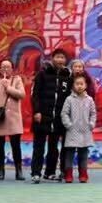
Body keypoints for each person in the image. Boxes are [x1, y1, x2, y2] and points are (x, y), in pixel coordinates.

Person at [30, 48, 71, 183]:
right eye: (57, 57)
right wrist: (37, 111)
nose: (60, 60)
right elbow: (35, 94)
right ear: (52, 58)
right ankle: (36, 172)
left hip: (59, 118)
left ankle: (50, 172)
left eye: (62, 58)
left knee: (54, 148)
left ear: (65, 61)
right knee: (39, 146)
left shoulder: (67, 76)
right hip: (42, 116)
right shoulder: (42, 74)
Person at [0, 58, 26, 181]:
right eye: (3, 67)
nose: (5, 69)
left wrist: (8, 87)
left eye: (8, 67)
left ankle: (18, 171)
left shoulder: (17, 80)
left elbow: (22, 95)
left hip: (13, 117)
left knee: (16, 145)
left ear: (12, 69)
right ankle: (0, 170)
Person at [59, 75, 96, 183]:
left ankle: (83, 174)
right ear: (73, 86)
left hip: (85, 131)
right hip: (72, 131)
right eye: (77, 84)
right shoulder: (69, 99)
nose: (79, 86)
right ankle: (68, 174)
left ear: (85, 85)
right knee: (69, 154)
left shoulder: (89, 100)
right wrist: (68, 125)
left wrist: (91, 124)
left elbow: (93, 113)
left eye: (82, 84)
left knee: (83, 153)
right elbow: (64, 113)